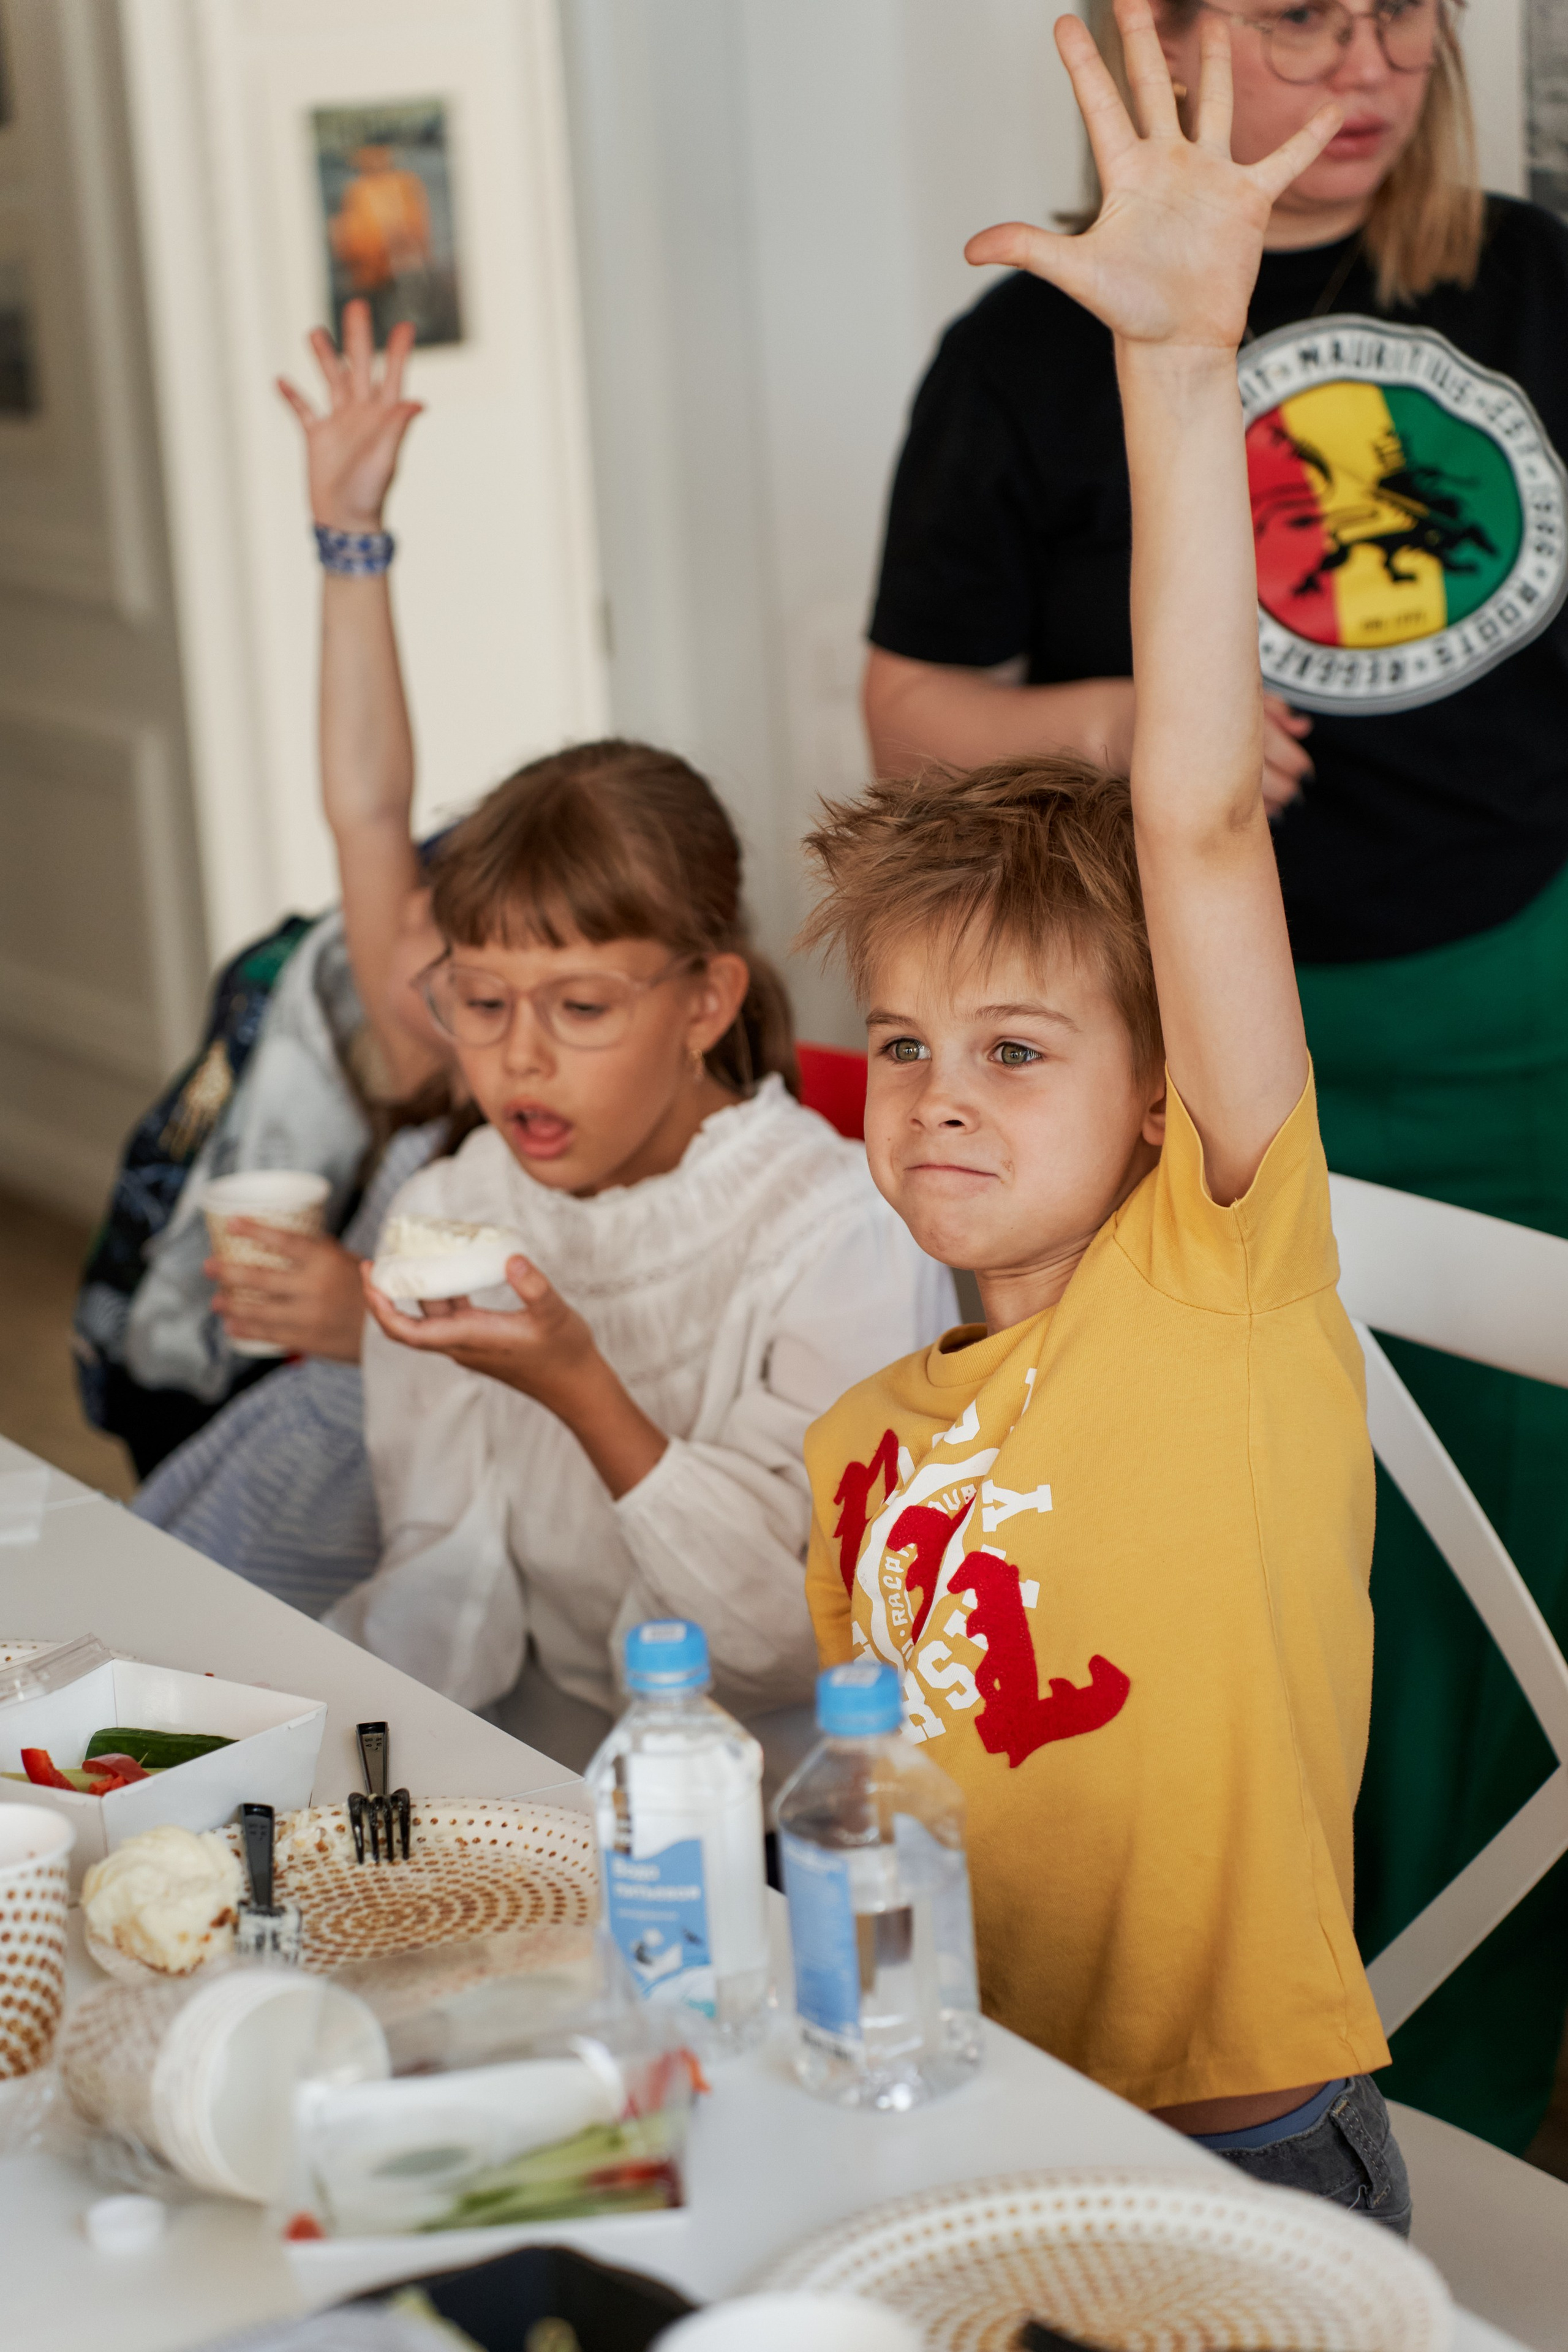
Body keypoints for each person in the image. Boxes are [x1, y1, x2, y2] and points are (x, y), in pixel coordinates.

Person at [863, 0, 1568, 2157]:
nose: (1365, 71)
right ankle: (1292, 2080)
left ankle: (1467, 2108)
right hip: (1234, 1064)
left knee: (1525, 1608)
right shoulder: (1025, 351)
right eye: (1296, 20)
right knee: (1288, 1606)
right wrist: (1100, 716)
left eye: (1406, 18)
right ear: (1153, 43)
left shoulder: (1531, 281)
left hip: (1530, 1022)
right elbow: (911, 707)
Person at [802, 2, 1410, 2228]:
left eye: (1023, 1049)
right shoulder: (861, 1441)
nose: (940, 1097)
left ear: (1166, 1100)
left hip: (1238, 2159)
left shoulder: (1216, 1277)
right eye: (910, 1047)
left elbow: (1199, 827)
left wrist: (1179, 368)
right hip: (959, 2124)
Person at [330, 740, 957, 1786]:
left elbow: (792, 1636)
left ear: (705, 1004)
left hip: (780, 1796)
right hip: (540, 1756)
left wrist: (581, 1388)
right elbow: (442, 1557)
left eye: (580, 1008)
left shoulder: (846, 1233)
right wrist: (388, 1769)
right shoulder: (456, 1209)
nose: (520, 1057)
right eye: (482, 1003)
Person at [129, 306, 466, 1605]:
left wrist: (373, 1327)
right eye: (420, 938)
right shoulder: (430, 1041)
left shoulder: (638, 1159)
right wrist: (350, 542)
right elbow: (368, 809)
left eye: (490, 981)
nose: (428, 980)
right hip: (271, 1481)